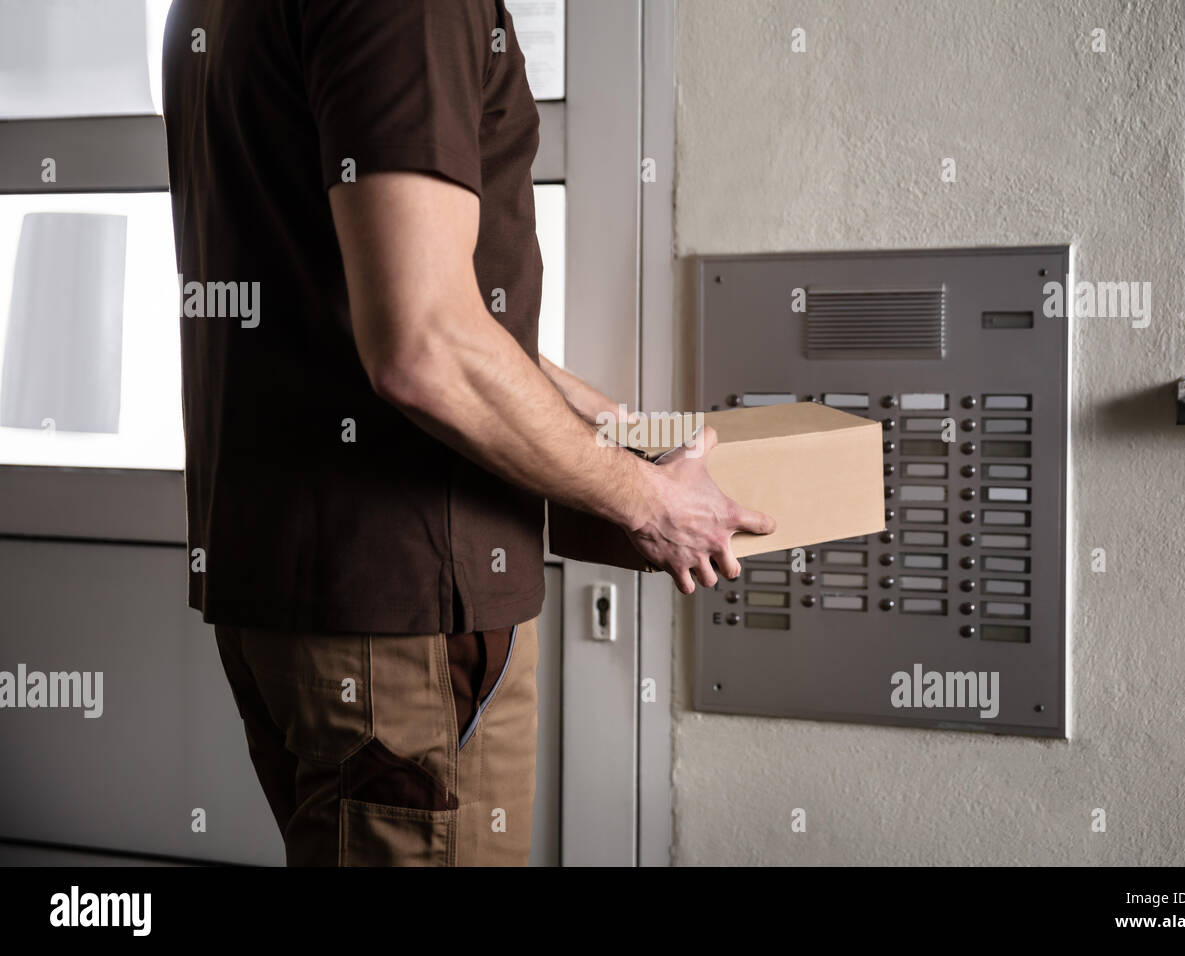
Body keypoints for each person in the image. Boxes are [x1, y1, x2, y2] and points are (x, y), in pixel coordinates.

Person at [161, 0, 773, 866]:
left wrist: (629, 431)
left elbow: (422, 312)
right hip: (402, 622)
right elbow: (425, 347)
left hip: (290, 592)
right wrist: (647, 501)